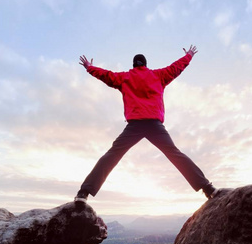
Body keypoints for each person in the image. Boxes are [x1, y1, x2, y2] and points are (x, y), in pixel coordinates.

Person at [75, 45, 218, 203]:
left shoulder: (125, 77)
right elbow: (175, 68)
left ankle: (84, 193)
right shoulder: (158, 75)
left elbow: (106, 75)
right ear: (145, 64)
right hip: (154, 124)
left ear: (134, 65)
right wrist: (189, 55)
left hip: (134, 125)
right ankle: (207, 188)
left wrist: (89, 67)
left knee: (112, 155)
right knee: (175, 154)